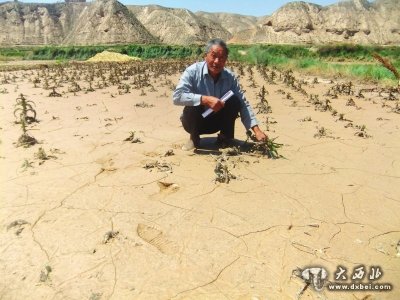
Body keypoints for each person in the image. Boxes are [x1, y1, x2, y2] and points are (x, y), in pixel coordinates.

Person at [173, 38, 267, 150]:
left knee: (234, 101)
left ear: (226, 60)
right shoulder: (192, 72)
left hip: (217, 122)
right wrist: (204, 99)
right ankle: (194, 138)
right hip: (193, 122)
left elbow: (243, 103)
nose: (217, 61)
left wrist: (256, 130)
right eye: (213, 56)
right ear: (205, 56)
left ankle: (225, 138)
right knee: (194, 103)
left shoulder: (230, 77)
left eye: (221, 58)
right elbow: (177, 96)